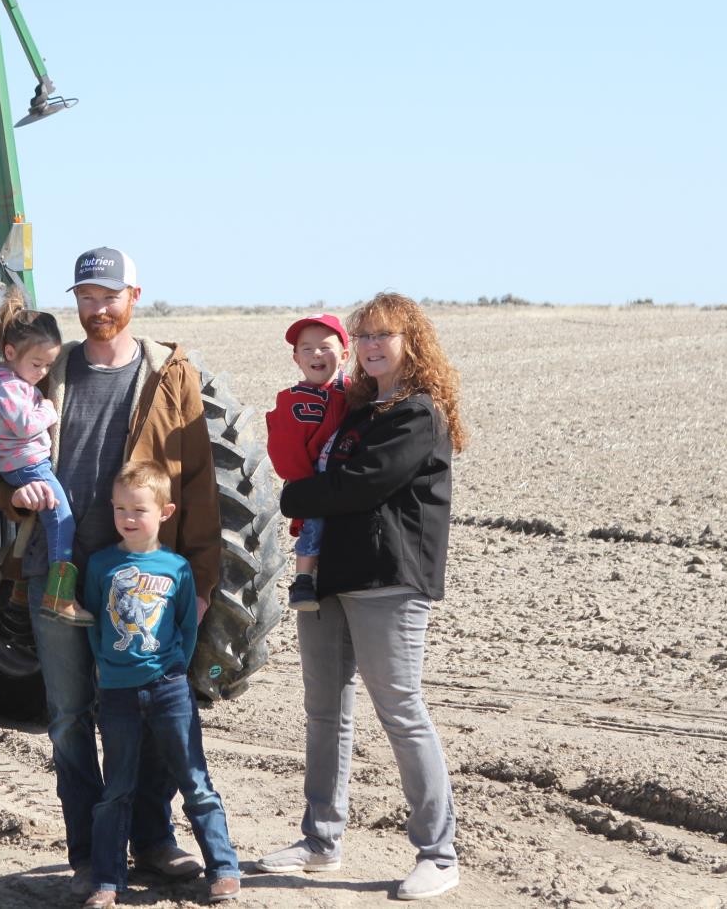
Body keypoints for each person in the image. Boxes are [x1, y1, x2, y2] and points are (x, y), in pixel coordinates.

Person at [5, 246, 223, 896]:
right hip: (62, 570)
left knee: (150, 706)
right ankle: (88, 850)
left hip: (144, 574)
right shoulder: (50, 368)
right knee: (71, 713)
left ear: (134, 295)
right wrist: (6, 495)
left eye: (109, 295)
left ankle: (154, 841)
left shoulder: (167, 374)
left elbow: (200, 476)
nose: (97, 309)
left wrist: (203, 578)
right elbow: (3, 446)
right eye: (86, 296)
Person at [250, 292, 467, 902]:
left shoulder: (417, 414)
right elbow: (312, 459)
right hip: (330, 578)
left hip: (389, 578)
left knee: (400, 709)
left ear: (411, 342)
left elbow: (358, 486)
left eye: (384, 335)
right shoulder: (357, 410)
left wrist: (293, 500)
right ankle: (321, 840)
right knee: (324, 709)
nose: (373, 345)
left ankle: (438, 853)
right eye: (364, 336)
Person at [81, 461, 240, 907]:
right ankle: (108, 880)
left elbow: (188, 628)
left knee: (194, 779)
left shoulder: (177, 569)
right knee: (117, 789)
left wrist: (173, 670)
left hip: (169, 689)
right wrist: (106, 669)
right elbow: (95, 622)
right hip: (117, 693)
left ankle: (224, 868)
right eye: (119, 509)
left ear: (165, 512)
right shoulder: (101, 565)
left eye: (138, 510)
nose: (128, 518)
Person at [0, 290, 89, 624]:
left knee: (36, 524)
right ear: (10, 352)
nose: (42, 373)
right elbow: (26, 425)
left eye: (49, 365)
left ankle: (21, 589)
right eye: (36, 364)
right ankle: (60, 594)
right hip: (27, 465)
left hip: (19, 464)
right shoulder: (9, 387)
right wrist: (48, 409)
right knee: (61, 518)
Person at [265, 313, 352, 612]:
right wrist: (306, 485)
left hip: (348, 478)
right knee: (313, 523)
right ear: (295, 358)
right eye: (307, 348)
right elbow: (284, 449)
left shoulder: (355, 393)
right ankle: (303, 579)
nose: (316, 353)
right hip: (312, 479)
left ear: (344, 355)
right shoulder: (291, 401)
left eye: (325, 347)